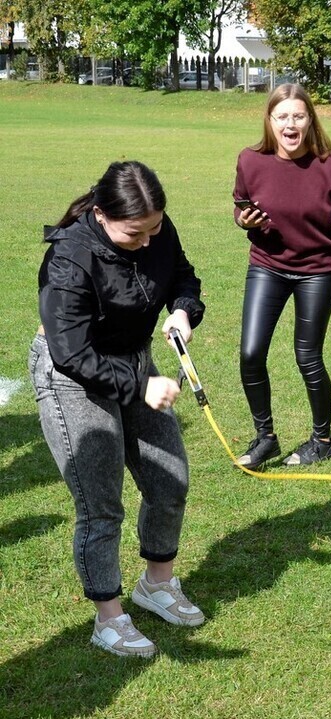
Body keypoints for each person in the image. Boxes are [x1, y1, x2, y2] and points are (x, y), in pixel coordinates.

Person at [31, 161, 207, 657]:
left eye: (155, 228)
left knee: (170, 480)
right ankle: (108, 617)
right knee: (101, 504)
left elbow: (182, 275)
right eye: (136, 233)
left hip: (137, 362)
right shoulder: (69, 258)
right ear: (102, 215)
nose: (148, 241)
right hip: (73, 379)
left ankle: (157, 584)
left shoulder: (153, 227)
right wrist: (140, 386)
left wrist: (182, 310)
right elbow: (71, 353)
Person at [233, 83, 331, 469]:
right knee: (251, 353)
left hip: (316, 272)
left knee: (307, 357)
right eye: (282, 117)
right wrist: (245, 220)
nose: (290, 125)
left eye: (298, 116)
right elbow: (240, 205)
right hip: (267, 265)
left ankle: (321, 441)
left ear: (310, 120)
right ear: (269, 120)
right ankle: (265, 437)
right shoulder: (250, 160)